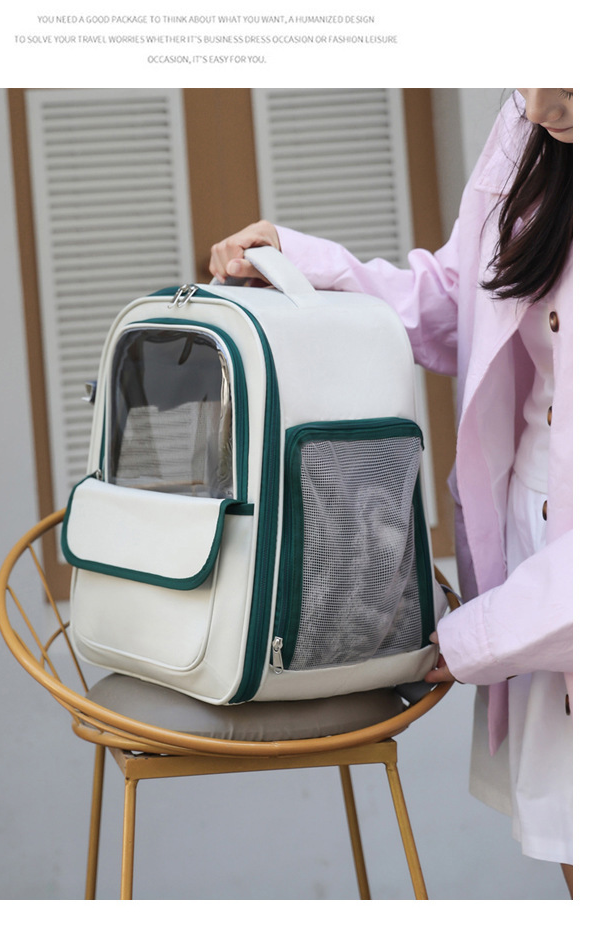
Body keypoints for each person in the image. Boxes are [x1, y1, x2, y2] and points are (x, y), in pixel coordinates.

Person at [210, 89, 573, 897]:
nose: (546, 103)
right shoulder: (528, 125)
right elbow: (466, 300)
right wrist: (306, 269)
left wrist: (471, 637)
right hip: (536, 588)